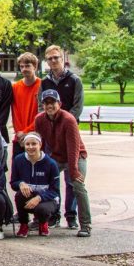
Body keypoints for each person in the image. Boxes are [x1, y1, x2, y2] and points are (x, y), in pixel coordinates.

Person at [35, 89, 92, 237]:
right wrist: (38, 162)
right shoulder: (40, 119)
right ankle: (44, 217)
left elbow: (73, 148)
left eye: (52, 102)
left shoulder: (68, 119)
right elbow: (39, 143)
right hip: (56, 156)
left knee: (77, 185)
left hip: (76, 156)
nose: (49, 106)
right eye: (46, 103)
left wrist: (73, 170)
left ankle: (85, 225)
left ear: (59, 103)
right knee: (42, 181)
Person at [39, 45, 85, 229]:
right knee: (53, 178)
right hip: (51, 136)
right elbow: (40, 107)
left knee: (72, 178)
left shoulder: (74, 80)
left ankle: (71, 215)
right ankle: (54, 213)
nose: (53, 61)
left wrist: (65, 121)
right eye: (49, 59)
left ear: (62, 57)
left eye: (56, 58)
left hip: (69, 131)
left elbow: (77, 106)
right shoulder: (45, 82)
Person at [11, 132, 60, 237]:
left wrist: (39, 197)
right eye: (27, 144)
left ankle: (43, 223)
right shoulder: (18, 160)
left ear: (40, 145)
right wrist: (20, 183)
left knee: (42, 209)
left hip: (47, 199)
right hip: (29, 196)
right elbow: (13, 183)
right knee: (19, 195)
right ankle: (24, 225)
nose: (30, 147)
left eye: (34, 144)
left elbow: (55, 190)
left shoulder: (51, 163)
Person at [12, 52, 42, 159]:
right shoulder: (15, 87)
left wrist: (26, 132)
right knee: (18, 171)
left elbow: (41, 114)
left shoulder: (42, 85)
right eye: (21, 66)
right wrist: (20, 133)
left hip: (36, 136)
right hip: (19, 138)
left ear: (35, 66)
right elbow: (15, 112)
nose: (24, 69)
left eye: (27, 66)